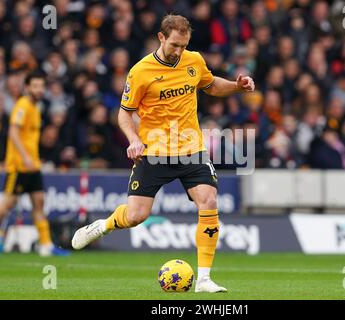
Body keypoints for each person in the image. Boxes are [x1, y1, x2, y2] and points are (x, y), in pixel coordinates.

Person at [71, 15, 255, 293]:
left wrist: (236, 86)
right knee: (135, 216)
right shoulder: (140, 71)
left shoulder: (193, 60)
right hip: (154, 152)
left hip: (191, 149)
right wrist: (133, 139)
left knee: (208, 199)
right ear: (161, 37)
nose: (179, 51)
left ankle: (204, 278)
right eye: (174, 45)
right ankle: (104, 225)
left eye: (184, 45)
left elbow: (211, 85)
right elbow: (124, 113)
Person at [0, 72, 67, 256]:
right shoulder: (23, 106)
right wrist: (25, 156)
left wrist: (33, 158)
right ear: (27, 88)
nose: (39, 89)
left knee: (39, 201)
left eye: (41, 86)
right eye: (35, 86)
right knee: (6, 204)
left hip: (32, 166)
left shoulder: (35, 107)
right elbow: (13, 132)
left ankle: (45, 244)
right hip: (19, 166)